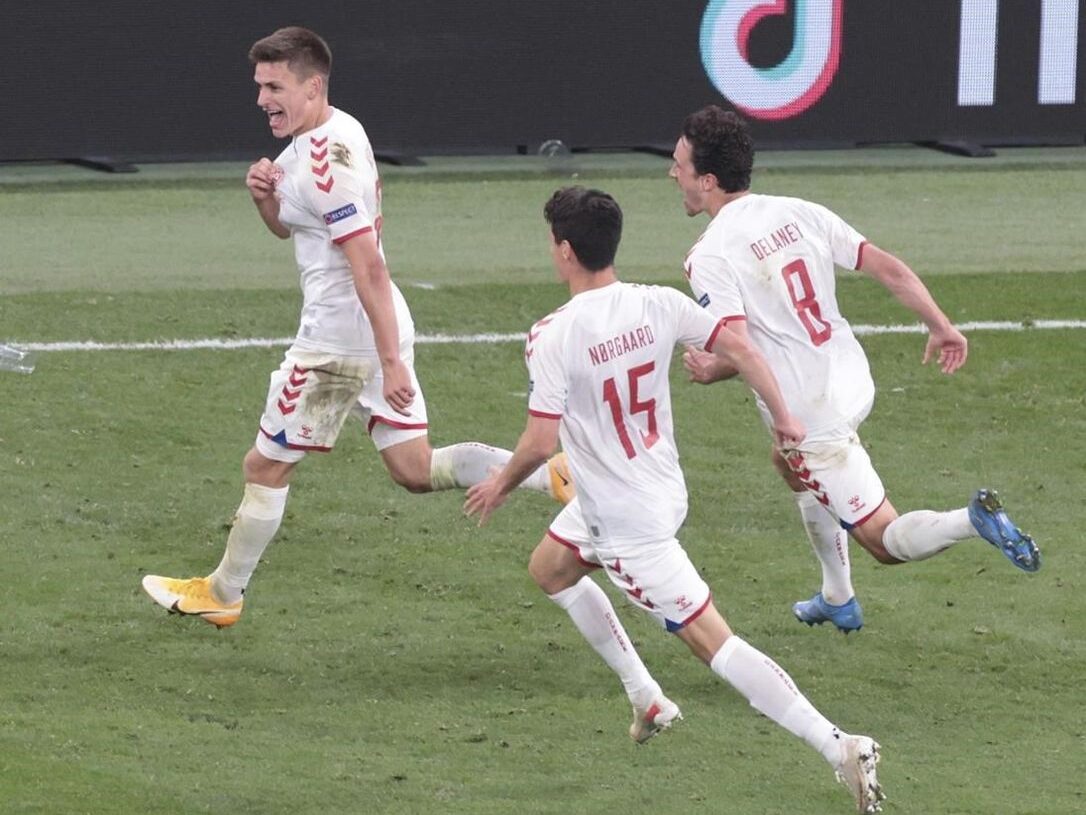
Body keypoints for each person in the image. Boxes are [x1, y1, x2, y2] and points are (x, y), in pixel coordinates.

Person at [465, 186, 885, 814]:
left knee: (717, 645)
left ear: (566, 251)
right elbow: (741, 347)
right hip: (661, 488)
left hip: (626, 524)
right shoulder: (659, 303)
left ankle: (838, 745)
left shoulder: (551, 334)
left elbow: (539, 440)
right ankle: (646, 697)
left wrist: (499, 484)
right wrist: (786, 417)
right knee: (549, 568)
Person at [141, 26, 570, 628]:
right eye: (259, 86)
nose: (263, 98)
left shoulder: (325, 164)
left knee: (265, 467)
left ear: (312, 85)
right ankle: (556, 476)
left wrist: (389, 361)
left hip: (339, 342)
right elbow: (300, 228)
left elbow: (364, 260)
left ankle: (224, 593)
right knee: (415, 470)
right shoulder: (337, 130)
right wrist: (265, 200)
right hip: (379, 321)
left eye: (274, 86)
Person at [672, 105, 1040, 633]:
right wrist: (941, 324)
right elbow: (884, 266)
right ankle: (836, 595)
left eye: (679, 165)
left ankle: (971, 520)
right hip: (850, 376)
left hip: (809, 409)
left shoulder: (709, 255)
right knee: (786, 462)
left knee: (884, 541)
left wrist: (721, 372)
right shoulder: (800, 210)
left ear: (707, 181)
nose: (672, 173)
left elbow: (742, 346)